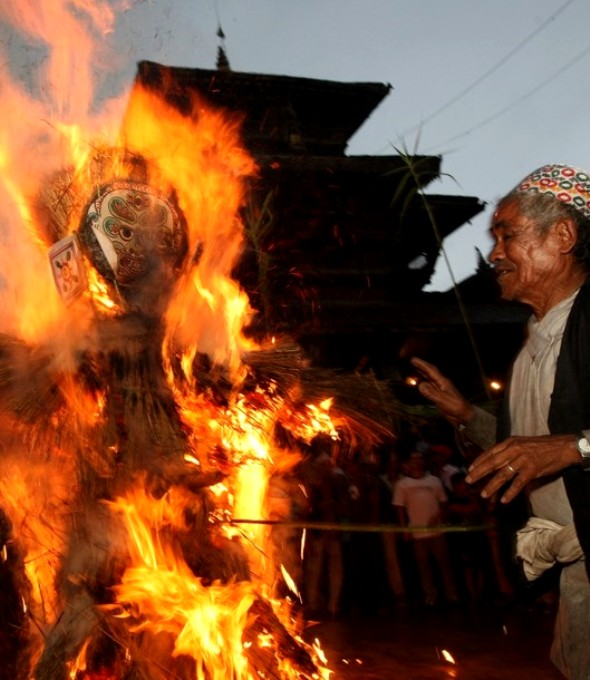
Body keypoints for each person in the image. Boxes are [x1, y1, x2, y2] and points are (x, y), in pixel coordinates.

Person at [412, 163, 590, 680]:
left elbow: (560, 448)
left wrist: (574, 448)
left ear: (562, 235)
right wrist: (467, 415)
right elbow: (527, 449)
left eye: (506, 235)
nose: (493, 254)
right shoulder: (530, 349)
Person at [393, 437, 459, 607]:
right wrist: (404, 529)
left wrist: (439, 517)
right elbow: (399, 508)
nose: (416, 463)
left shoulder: (434, 481)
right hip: (417, 531)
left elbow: (444, 503)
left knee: (444, 564)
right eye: (413, 460)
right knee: (424, 567)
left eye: (419, 459)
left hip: (437, 530)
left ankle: (452, 595)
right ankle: (430, 596)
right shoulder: (402, 484)